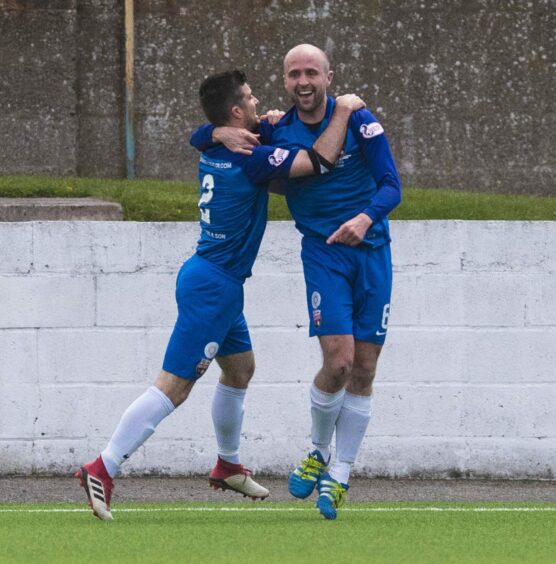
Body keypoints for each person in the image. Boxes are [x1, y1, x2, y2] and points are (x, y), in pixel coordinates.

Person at [75, 68, 365, 521]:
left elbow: (199, 135)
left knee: (240, 369)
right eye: (250, 99)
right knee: (175, 387)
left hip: (214, 281)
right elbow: (320, 160)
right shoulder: (253, 159)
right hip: (213, 287)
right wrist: (344, 109)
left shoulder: (216, 144)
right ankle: (103, 467)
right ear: (235, 111)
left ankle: (227, 464)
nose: (257, 103)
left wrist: (217, 130)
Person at [190, 44, 402, 520]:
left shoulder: (362, 121)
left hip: (373, 252)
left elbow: (392, 185)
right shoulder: (274, 128)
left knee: (365, 368)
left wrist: (366, 219)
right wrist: (216, 129)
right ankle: (316, 450)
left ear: (328, 76)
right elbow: (202, 137)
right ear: (285, 82)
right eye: (293, 74)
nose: (303, 82)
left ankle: (340, 475)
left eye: (311, 72)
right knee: (339, 360)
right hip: (324, 254)